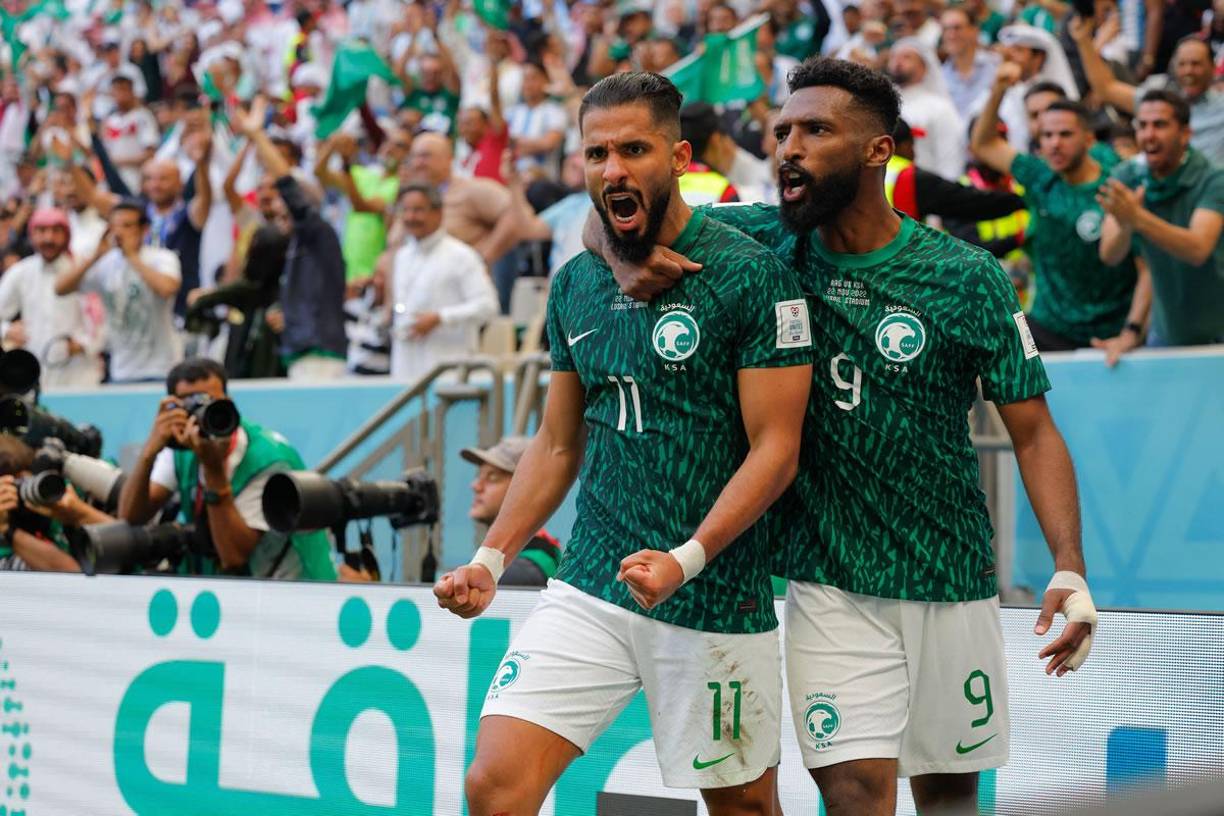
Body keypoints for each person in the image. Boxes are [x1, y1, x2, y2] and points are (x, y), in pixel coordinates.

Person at [597, 58, 1095, 815]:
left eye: (816, 130)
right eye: (783, 131)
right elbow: (609, 212)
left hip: (950, 578)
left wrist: (1069, 567)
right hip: (827, 584)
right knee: (856, 795)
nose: (789, 148)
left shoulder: (967, 278)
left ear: (877, 151)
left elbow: (1033, 434)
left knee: (951, 800)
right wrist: (617, 258)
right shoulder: (757, 244)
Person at [435, 72, 813, 815]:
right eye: (597, 153)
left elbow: (777, 449)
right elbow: (554, 444)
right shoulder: (577, 283)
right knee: (493, 787)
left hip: (715, 594)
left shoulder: (749, 274)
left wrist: (687, 557)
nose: (613, 169)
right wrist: (490, 558)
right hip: (591, 585)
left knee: (742, 808)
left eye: (634, 150)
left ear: (677, 157)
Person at [117, 357, 337, 580]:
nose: (201, 417)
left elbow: (234, 557)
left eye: (211, 404)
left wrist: (213, 470)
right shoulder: (181, 445)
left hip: (295, 589)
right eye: (192, 406)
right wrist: (149, 453)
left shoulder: (269, 458)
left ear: (229, 403)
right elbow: (130, 517)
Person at [972, 67, 1139, 351]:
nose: (1054, 143)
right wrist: (998, 89)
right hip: (1050, 326)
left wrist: (1133, 329)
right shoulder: (1040, 175)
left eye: (1064, 134)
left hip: (1111, 331)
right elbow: (984, 144)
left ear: (1088, 139)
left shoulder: (1116, 181)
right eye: (1047, 135)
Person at [1096, 89, 1224, 356]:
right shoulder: (1127, 176)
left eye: (1160, 125)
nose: (1149, 135)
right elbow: (1110, 254)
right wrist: (1132, 330)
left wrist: (1137, 217)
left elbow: (1198, 249)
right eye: (1142, 125)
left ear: (1185, 134)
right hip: (1166, 336)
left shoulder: (1213, 179)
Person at [233, 98, 348, 381]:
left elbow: (288, 185)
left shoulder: (318, 232)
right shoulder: (298, 242)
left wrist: (257, 135)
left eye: (284, 201)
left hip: (319, 355)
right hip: (302, 352)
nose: (276, 206)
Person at [54, 199, 183, 384]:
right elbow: (60, 288)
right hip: (122, 370)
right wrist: (94, 257)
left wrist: (132, 257)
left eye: (127, 226)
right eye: (114, 226)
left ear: (144, 229)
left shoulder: (161, 258)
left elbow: (168, 288)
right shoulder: (105, 263)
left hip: (162, 368)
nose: (120, 232)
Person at [1072, 20, 1224, 166]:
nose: (1188, 71)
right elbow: (1106, 88)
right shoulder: (1159, 105)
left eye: (1196, 64)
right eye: (1182, 64)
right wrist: (1084, 42)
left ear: (1212, 68)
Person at [405, 131, 526, 313]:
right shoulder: (410, 202)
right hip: (420, 304)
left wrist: (484, 256)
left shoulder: (472, 189)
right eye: (414, 157)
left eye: (425, 156)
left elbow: (518, 216)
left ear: (448, 159)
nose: (418, 163)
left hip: (465, 305)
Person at [388, 183, 498, 382]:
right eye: (405, 210)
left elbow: (488, 306)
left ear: (438, 213)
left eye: (418, 210)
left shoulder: (461, 256)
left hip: (449, 375)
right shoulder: (402, 256)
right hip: (405, 371)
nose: (410, 217)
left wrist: (440, 318)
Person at [0, 209, 104, 388]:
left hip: (80, 372)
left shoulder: (81, 268)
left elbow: (106, 317)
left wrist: (85, 345)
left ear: (66, 234)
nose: (49, 238)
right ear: (32, 235)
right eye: (41, 231)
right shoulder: (21, 272)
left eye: (56, 231)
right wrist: (7, 330)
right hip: (35, 372)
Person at [461, 436, 560, 586]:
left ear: (528, 489)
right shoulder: (510, 561)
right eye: (479, 475)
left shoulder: (526, 568)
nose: (476, 486)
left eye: (492, 477)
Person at [0, 436, 108, 573]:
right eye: (12, 487)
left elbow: (134, 536)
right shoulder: (5, 537)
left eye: (25, 481)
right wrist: (6, 529)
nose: (24, 492)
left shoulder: (66, 491)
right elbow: (71, 572)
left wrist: (78, 512)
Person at [886, 39, 966, 180]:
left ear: (924, 66)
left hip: (925, 191)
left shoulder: (939, 108)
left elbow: (951, 158)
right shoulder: (882, 105)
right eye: (894, 57)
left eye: (907, 57)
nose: (898, 62)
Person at [995, 24, 1079, 152]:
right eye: (1010, 50)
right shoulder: (1004, 88)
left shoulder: (1054, 95)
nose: (1010, 56)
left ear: (1038, 57)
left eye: (1018, 50)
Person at [940, 6, 999, 115]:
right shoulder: (940, 76)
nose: (951, 35)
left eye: (957, 28)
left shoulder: (996, 65)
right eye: (945, 29)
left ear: (974, 30)